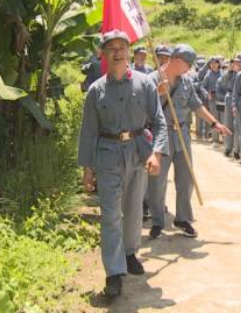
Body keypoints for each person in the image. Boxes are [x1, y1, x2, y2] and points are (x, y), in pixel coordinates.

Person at [78, 30, 168, 298]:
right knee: (110, 215)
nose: (117, 52)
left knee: (132, 211)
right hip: (107, 156)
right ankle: (114, 273)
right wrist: (87, 169)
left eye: (121, 47)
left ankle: (129, 253)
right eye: (111, 48)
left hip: (137, 153)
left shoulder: (145, 84)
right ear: (103, 54)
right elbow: (88, 132)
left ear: (128, 51)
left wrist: (157, 153)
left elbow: (159, 121)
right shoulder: (96, 91)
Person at [147, 44, 232, 240]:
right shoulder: (153, 80)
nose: (189, 68)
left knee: (186, 179)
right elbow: (144, 109)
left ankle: (182, 218)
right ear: (176, 60)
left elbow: (197, 106)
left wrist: (214, 123)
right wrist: (159, 92)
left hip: (182, 135)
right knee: (157, 182)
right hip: (161, 135)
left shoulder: (186, 83)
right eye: (187, 63)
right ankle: (158, 221)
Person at [219, 54, 241, 158]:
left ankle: (237, 150)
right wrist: (229, 70)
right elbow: (222, 83)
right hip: (229, 97)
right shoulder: (230, 73)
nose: (236, 64)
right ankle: (228, 147)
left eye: (238, 62)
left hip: (240, 99)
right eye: (235, 62)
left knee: (238, 126)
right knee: (228, 123)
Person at [202, 56, 223, 146]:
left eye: (215, 63)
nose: (213, 65)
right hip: (213, 98)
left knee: (223, 118)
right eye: (211, 63)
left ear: (219, 64)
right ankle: (215, 140)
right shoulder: (208, 75)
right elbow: (202, 87)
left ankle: (225, 139)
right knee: (214, 118)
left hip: (222, 98)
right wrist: (207, 94)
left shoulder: (223, 74)